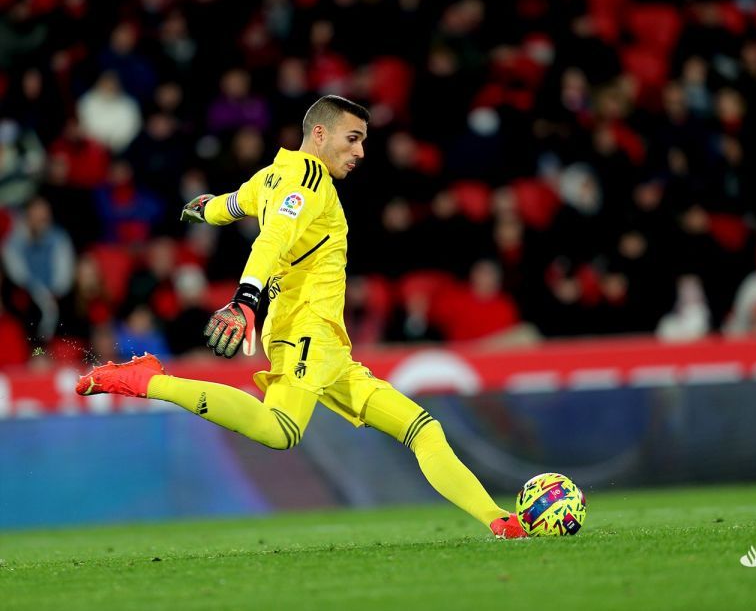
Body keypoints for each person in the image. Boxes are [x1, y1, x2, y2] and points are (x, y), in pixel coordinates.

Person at [75, 95, 526, 539]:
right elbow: (271, 239)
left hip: (322, 340)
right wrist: (245, 299)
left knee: (421, 429)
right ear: (320, 133)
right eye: (352, 139)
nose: (360, 152)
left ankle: (498, 520)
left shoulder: (273, 175)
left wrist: (201, 210)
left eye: (363, 141)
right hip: (307, 329)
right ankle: (148, 380)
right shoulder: (310, 181)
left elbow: (231, 204)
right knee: (280, 430)